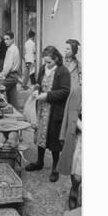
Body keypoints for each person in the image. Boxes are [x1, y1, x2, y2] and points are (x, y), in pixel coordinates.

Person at [25, 46, 71, 182]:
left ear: (56, 59)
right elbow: (39, 83)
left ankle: (55, 167)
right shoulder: (42, 69)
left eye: (49, 62)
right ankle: (39, 162)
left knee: (54, 139)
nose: (46, 64)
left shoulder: (63, 72)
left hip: (55, 110)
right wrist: (37, 90)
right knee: (40, 135)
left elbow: (65, 91)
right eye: (45, 62)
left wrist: (47, 95)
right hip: (42, 108)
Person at [58, 85, 82, 208]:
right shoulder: (78, 91)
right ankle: (74, 191)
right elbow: (72, 115)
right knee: (78, 170)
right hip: (81, 136)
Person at [1, 31, 21, 107]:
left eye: (7, 39)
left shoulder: (11, 50)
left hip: (11, 75)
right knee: (12, 97)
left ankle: (1, 107)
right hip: (14, 75)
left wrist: (2, 76)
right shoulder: (14, 48)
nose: (5, 41)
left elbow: (8, 66)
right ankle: (16, 113)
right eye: (4, 39)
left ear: (12, 39)